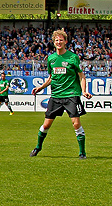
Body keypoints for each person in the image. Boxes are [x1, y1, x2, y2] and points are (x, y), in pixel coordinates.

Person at [30, 29, 92, 159]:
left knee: (76, 123)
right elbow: (52, 77)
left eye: (61, 40)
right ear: (54, 42)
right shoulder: (51, 58)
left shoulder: (72, 57)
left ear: (65, 42)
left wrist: (84, 91)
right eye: (56, 40)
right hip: (56, 96)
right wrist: (41, 87)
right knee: (46, 124)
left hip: (71, 94)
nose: (59, 42)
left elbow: (81, 76)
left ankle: (82, 153)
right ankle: (38, 147)